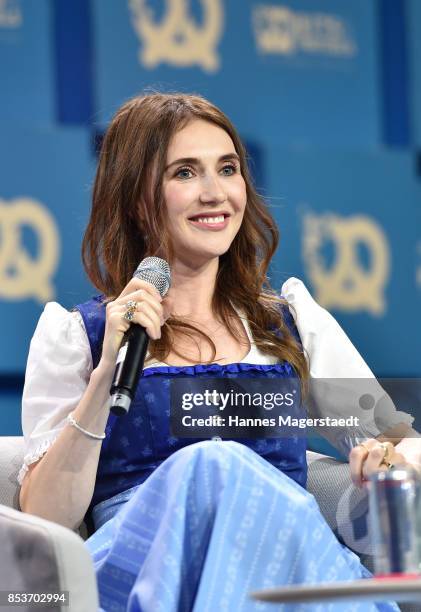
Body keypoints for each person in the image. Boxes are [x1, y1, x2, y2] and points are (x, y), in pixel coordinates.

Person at [18, 93, 419, 612]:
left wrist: (386, 455)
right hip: (146, 568)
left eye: (227, 169)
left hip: (282, 558)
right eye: (184, 173)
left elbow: (399, 443)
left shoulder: (289, 323)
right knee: (212, 466)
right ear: (137, 198)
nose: (215, 193)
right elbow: (45, 519)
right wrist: (105, 377)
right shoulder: (81, 337)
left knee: (223, 468)